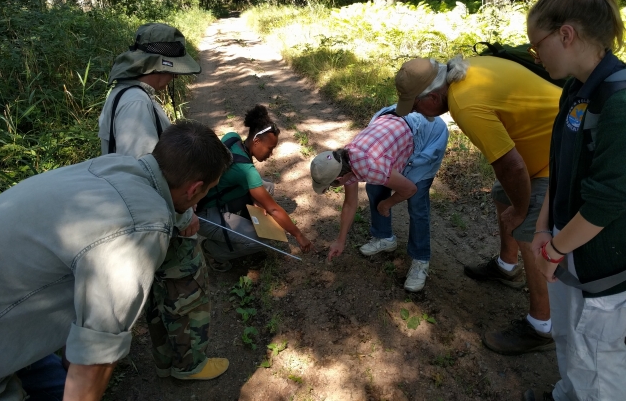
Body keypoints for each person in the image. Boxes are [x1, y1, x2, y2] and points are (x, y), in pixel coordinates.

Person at [0, 121, 232, 401]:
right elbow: (95, 356)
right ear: (194, 189)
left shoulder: (115, 166)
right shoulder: (142, 226)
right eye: (208, 190)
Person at [393, 54, 561, 355]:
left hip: (559, 156)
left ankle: (542, 326)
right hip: (537, 147)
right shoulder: (466, 69)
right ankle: (507, 267)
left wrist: (521, 210)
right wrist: (513, 199)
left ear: (432, 97)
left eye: (417, 105)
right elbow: (508, 168)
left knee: (528, 231)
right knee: (502, 194)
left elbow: (512, 167)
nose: (417, 112)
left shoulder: (464, 103)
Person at [98, 23, 224, 381]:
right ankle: (190, 364)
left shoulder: (122, 94)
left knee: (159, 292)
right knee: (186, 289)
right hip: (158, 212)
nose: (172, 79)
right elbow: (146, 169)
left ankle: (168, 359)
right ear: (157, 67)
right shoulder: (137, 103)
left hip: (136, 210)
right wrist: (182, 217)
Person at [524, 0, 626, 401]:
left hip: (604, 265)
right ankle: (566, 393)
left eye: (536, 45)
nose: (536, 55)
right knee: (569, 339)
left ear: (566, 34)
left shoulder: (619, 101)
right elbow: (561, 166)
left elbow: (609, 197)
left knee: (599, 359)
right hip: (568, 248)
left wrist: (553, 250)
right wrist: (544, 230)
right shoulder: (574, 90)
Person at [309, 105, 448, 292]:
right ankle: (385, 238)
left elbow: (409, 189)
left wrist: (387, 204)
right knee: (375, 185)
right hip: (399, 128)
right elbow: (350, 204)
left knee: (417, 202)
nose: (333, 188)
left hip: (428, 132)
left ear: (339, 178)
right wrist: (340, 240)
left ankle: (420, 260)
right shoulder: (345, 162)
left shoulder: (369, 166)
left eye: (331, 185)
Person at [197, 105, 313, 271]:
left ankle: (243, 224)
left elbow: (234, 176)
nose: (271, 154)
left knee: (267, 186)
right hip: (204, 214)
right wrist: (299, 235)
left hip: (215, 197)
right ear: (257, 141)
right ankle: (213, 251)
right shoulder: (246, 170)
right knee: (262, 241)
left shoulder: (232, 138)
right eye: (270, 148)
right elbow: (274, 210)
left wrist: (254, 200)